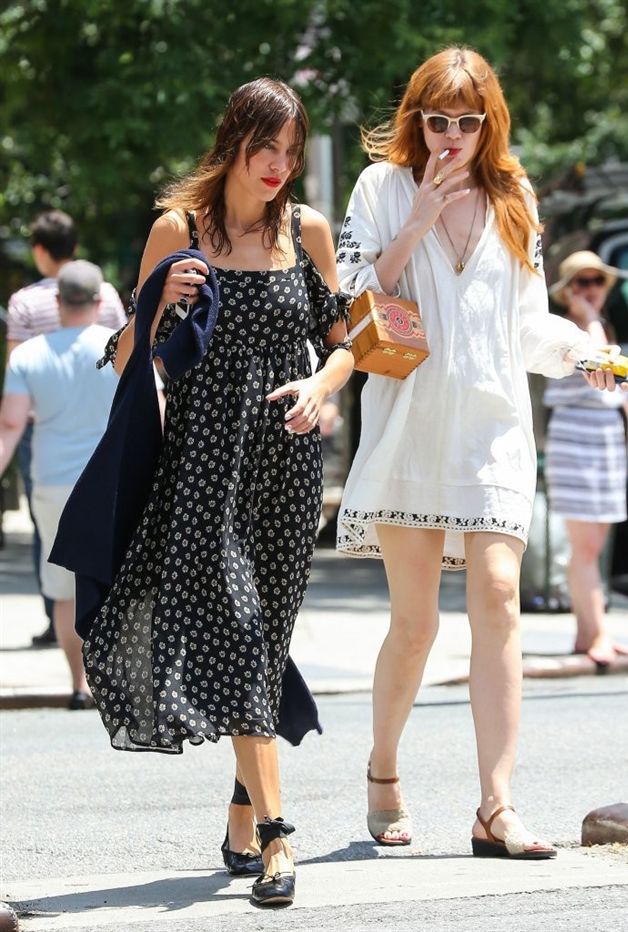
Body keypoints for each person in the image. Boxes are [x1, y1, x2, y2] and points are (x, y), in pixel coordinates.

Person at [51, 78, 353, 908]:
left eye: (290, 152)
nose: (278, 166)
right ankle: (280, 840)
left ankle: (240, 819)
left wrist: (320, 386)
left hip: (286, 471)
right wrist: (156, 305)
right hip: (201, 473)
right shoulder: (176, 230)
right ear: (233, 143)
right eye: (265, 148)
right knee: (243, 632)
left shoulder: (305, 230)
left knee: (264, 645)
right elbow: (126, 361)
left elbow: (345, 343)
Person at [335, 46, 627, 857]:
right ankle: (383, 768)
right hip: (409, 427)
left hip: (492, 426)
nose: (451, 136)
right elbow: (354, 300)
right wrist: (418, 220)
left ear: (488, 121)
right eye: (437, 120)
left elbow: (524, 324)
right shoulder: (382, 187)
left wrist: (580, 353)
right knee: (415, 623)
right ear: (417, 119)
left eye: (467, 121)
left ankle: (495, 806)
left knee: (499, 595)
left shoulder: (513, 194)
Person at [0, 261, 119, 708]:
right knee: (116, 581)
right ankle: (117, 684)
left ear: (57, 302)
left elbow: (11, 424)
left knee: (64, 588)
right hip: (109, 481)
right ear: (99, 301)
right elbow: (157, 411)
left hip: (51, 482)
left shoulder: (27, 356)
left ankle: (79, 685)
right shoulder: (122, 347)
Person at [6, 210, 127, 646]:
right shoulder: (105, 291)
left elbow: (15, 373)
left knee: (51, 534)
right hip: (103, 428)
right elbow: (124, 347)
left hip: (43, 427)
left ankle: (55, 614)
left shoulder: (23, 302)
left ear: (40, 250)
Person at [544, 251, 628, 665]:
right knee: (585, 545)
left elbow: (618, 389)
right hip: (575, 438)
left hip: (604, 438)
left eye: (597, 281)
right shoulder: (569, 331)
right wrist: (588, 317)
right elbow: (601, 364)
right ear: (567, 290)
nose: (591, 289)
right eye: (581, 282)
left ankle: (587, 633)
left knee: (594, 544)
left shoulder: (599, 328)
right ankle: (598, 633)